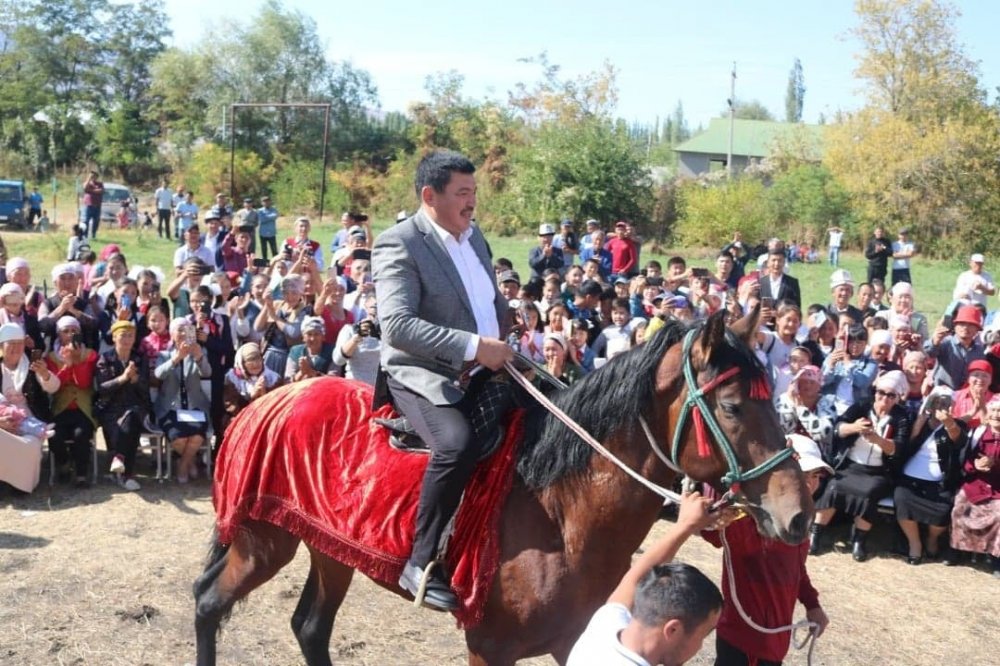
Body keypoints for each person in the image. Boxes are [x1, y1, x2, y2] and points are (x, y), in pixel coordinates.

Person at [372, 150, 512, 611]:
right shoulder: (399, 243)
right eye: (463, 193)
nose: (472, 202)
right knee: (456, 445)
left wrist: (507, 326)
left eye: (474, 192)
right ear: (430, 196)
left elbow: (488, 302)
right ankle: (419, 562)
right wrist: (474, 347)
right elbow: (398, 327)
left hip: (488, 366)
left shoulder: (475, 237)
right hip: (423, 374)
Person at [704, 435, 830, 666]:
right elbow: (710, 531)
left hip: (776, 641)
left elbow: (797, 570)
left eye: (815, 476)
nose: (809, 484)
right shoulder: (747, 519)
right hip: (741, 636)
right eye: (802, 475)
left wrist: (812, 605)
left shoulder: (799, 522)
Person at [566, 492, 721, 666]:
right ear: (673, 629)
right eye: (703, 635)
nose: (700, 647)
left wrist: (685, 525)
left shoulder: (604, 628)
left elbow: (634, 579)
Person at [812, 370, 912, 560]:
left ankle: (859, 539)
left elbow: (898, 449)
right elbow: (838, 429)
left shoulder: (901, 417)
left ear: (898, 397)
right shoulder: (861, 406)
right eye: (881, 393)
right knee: (834, 486)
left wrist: (878, 440)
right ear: (875, 392)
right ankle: (816, 533)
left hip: (878, 471)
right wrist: (854, 428)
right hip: (850, 465)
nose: (884, 398)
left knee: (869, 493)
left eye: (891, 395)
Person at [895, 386, 968, 564]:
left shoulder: (957, 424)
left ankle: (932, 538)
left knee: (943, 509)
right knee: (902, 497)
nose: (940, 406)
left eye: (945, 402)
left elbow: (958, 439)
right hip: (911, 476)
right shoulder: (918, 420)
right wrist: (918, 425)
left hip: (939, 481)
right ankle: (914, 543)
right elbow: (905, 446)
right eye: (936, 402)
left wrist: (948, 422)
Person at [0, 322, 58, 493]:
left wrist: (45, 374)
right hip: (3, 420)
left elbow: (54, 387)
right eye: (11, 344)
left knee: (30, 444)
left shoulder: (33, 365)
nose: (16, 348)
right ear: (2, 346)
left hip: (30, 421)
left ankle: (22, 485)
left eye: (19, 344)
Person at [94, 320, 152, 491]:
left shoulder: (139, 359)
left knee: (132, 417)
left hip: (135, 406)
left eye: (130, 336)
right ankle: (127, 474)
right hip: (110, 408)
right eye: (123, 336)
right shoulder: (105, 358)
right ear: (114, 337)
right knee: (128, 424)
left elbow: (145, 388)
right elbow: (102, 388)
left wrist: (136, 380)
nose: (127, 340)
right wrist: (123, 378)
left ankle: (119, 458)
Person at [154, 318, 212, 483]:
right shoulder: (164, 355)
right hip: (171, 408)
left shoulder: (199, 352)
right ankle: (190, 461)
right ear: (172, 334)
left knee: (197, 436)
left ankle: (182, 465)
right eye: (179, 330)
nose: (183, 333)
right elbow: (158, 374)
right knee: (179, 438)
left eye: (187, 329)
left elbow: (207, 373)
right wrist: (177, 358)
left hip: (195, 407)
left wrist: (199, 357)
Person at [950, 396, 1000, 576]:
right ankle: (957, 550)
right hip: (975, 482)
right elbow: (963, 459)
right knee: (959, 507)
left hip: (998, 486)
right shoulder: (976, 433)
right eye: (994, 410)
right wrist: (975, 465)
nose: (997, 415)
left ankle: (995, 557)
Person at [46, 316, 98, 487]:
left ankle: (81, 473)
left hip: (83, 408)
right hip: (61, 407)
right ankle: (64, 463)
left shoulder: (90, 355)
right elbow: (56, 386)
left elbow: (84, 383)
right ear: (58, 334)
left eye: (74, 331)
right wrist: (67, 366)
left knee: (81, 434)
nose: (70, 334)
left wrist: (76, 362)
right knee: (54, 435)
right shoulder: (51, 358)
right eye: (65, 331)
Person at [222, 343, 282, 434]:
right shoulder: (232, 378)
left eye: (258, 358)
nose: (256, 363)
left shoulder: (273, 378)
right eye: (250, 359)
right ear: (242, 362)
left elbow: (279, 406)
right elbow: (231, 406)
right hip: (242, 416)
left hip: (267, 417)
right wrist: (251, 396)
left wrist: (264, 395)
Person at [925, 305, 986, 390]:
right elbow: (929, 353)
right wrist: (935, 341)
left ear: (977, 329)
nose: (965, 327)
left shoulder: (979, 351)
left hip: (966, 394)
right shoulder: (946, 343)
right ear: (955, 326)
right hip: (942, 391)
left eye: (971, 325)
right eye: (962, 324)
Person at [332, 295, 382, 386]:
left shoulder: (389, 332)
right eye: (373, 306)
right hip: (357, 387)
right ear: (365, 307)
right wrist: (357, 337)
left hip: (381, 389)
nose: (376, 310)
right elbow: (338, 360)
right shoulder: (350, 330)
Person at [951, 359, 995, 428]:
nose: (980, 379)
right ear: (968, 378)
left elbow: (993, 429)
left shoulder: (997, 400)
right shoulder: (955, 396)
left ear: (990, 380)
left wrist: (982, 406)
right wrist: (974, 410)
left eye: (985, 376)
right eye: (976, 375)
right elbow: (950, 425)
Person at [82, 171, 104, 239]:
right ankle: (85, 235)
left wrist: (90, 191)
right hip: (88, 205)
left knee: (96, 221)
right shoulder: (87, 183)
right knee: (86, 221)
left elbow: (101, 191)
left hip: (97, 205)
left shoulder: (100, 184)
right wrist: (88, 179)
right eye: (92, 176)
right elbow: (85, 188)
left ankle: (93, 235)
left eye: (94, 176)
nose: (93, 177)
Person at [257, 195, 279, 261]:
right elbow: (261, 220)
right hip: (262, 233)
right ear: (261, 203)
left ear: (270, 202)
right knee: (264, 249)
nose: (266, 203)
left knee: (274, 249)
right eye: (264, 201)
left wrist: (265, 217)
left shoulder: (274, 209)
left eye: (267, 201)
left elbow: (275, 216)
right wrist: (270, 217)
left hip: (271, 233)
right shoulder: (259, 210)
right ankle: (265, 262)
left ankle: (276, 262)